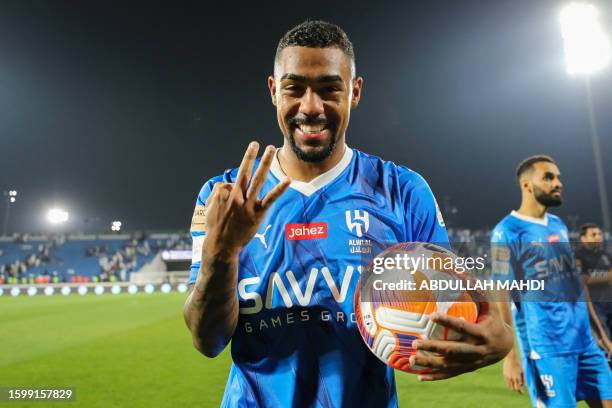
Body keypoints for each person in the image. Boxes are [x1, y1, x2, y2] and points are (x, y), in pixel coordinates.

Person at [184, 20, 512, 407]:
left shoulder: (403, 192)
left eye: (329, 89)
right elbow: (207, 341)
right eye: (294, 88)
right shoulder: (222, 197)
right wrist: (220, 256)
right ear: (274, 91)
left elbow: (455, 306)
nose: (310, 107)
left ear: (354, 92)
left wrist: (500, 339)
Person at [493, 155, 612, 407]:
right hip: (548, 347)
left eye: (558, 177)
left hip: (584, 342)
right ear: (526, 185)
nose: (557, 183)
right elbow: (502, 294)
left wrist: (598, 333)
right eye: (548, 177)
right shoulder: (507, 231)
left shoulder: (557, 225)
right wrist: (510, 355)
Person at [575, 223, 612, 356]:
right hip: (593, 306)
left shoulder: (606, 255)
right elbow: (581, 281)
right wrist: (607, 276)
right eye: (593, 234)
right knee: (604, 341)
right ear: (583, 238)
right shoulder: (578, 256)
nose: (598, 237)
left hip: (609, 302)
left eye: (599, 234)